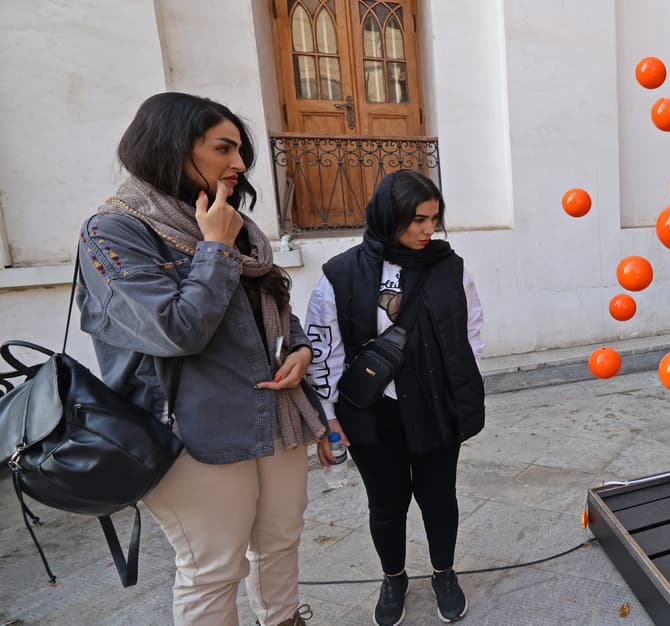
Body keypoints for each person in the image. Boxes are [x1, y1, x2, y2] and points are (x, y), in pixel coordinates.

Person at [75, 93, 326, 626]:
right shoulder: (113, 232)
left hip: (274, 413)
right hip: (192, 432)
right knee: (212, 568)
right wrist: (214, 248)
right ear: (170, 147)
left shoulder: (227, 223)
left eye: (240, 151)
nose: (239, 164)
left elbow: (270, 302)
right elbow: (175, 330)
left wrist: (299, 347)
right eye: (223, 148)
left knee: (280, 540)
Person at [304, 169, 485, 625]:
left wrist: (456, 389)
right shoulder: (341, 274)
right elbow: (325, 349)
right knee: (386, 504)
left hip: (435, 408)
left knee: (439, 497)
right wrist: (329, 418)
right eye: (418, 220)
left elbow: (471, 333)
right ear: (389, 216)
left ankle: (444, 574)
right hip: (372, 414)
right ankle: (394, 578)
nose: (429, 230)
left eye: (434, 219)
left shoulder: (450, 268)